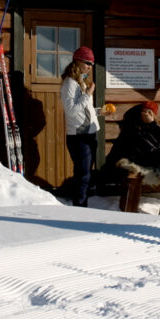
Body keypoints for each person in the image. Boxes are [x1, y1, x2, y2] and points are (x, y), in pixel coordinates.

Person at [105, 101, 160, 212]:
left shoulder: (149, 126)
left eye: (149, 112)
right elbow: (146, 145)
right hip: (127, 158)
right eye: (144, 112)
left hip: (141, 156)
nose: (146, 114)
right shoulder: (133, 127)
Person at [60, 46, 101, 207]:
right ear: (77, 61)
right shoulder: (70, 83)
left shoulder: (81, 82)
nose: (90, 67)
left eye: (92, 64)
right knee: (83, 175)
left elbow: (84, 110)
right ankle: (80, 208)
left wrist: (99, 112)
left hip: (90, 133)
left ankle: (81, 206)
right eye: (87, 63)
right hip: (79, 137)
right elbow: (71, 111)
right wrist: (88, 94)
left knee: (85, 175)